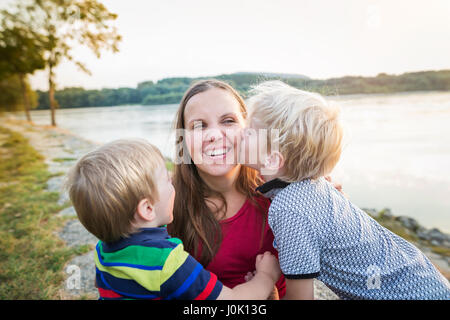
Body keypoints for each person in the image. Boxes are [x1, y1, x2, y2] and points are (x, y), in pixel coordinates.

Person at [240, 80, 450, 300]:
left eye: (250, 132)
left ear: (273, 159)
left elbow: (301, 297)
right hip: (423, 280)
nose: (241, 133)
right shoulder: (314, 185)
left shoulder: (289, 208)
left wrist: (265, 287)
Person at [65, 139, 281, 300]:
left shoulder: (104, 252)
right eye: (167, 180)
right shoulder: (167, 262)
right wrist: (265, 277)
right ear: (148, 208)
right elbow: (232, 301)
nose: (174, 185)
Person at [168, 79, 286, 298]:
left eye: (228, 121)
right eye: (199, 125)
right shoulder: (167, 202)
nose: (214, 135)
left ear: (249, 128)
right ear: (183, 140)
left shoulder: (279, 188)